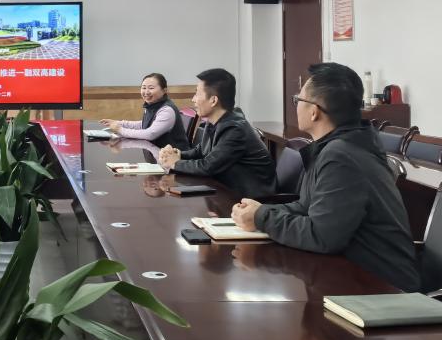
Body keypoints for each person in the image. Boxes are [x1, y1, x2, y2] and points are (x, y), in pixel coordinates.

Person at [231, 62, 419, 292]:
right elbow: (306, 207)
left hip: (383, 289)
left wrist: (262, 217)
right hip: (353, 275)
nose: (295, 106)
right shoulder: (336, 146)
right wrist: (260, 211)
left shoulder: (341, 156)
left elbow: (322, 236)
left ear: (314, 111)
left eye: (298, 100)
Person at [159, 68, 277, 198]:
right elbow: (201, 151)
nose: (193, 99)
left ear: (213, 100)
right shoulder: (215, 121)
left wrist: (175, 163)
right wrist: (178, 154)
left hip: (250, 199)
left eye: (197, 93)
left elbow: (208, 166)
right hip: (226, 190)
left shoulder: (235, 129)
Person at [100, 73, 190, 150]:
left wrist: (120, 129)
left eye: (151, 88)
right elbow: (144, 124)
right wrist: (119, 123)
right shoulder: (152, 105)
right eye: (143, 88)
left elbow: (150, 134)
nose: (146, 92)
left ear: (164, 91)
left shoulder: (167, 110)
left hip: (176, 159)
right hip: (159, 153)